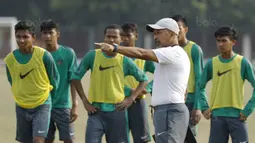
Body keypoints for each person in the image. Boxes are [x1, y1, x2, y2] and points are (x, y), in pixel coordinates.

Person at [96, 18, 190, 143]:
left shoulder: (173, 53)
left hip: (170, 111)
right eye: (154, 33)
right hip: (165, 111)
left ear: (172, 33)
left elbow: (142, 52)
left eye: (159, 33)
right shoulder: (169, 55)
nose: (155, 37)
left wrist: (115, 48)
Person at [71, 24, 148, 143]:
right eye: (108, 36)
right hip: (96, 111)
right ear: (104, 37)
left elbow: (143, 79)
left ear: (120, 39)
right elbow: (75, 77)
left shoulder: (124, 59)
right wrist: (85, 101)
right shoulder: (93, 55)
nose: (111, 40)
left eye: (115, 37)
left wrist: (131, 98)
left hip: (117, 111)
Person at [4, 20, 59, 143]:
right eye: (18, 36)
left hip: (42, 104)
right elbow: (11, 80)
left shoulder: (44, 56)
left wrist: (51, 100)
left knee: (38, 140)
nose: (21, 40)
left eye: (25, 37)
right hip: (21, 106)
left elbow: (54, 79)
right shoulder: (10, 60)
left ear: (33, 37)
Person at [199, 27, 255, 143]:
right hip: (217, 117)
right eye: (218, 41)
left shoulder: (242, 63)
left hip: (238, 116)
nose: (220, 44)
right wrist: (204, 107)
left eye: (224, 41)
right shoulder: (212, 63)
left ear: (233, 42)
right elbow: (200, 86)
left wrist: (247, 110)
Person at [40, 20, 78, 143]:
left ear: (58, 34)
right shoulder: (38, 55)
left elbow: (73, 79)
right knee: (46, 140)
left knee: (69, 140)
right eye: (44, 33)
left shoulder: (68, 53)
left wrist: (75, 104)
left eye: (50, 33)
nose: (47, 36)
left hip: (63, 105)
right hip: (43, 106)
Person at [171, 15, 207, 136]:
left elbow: (199, 80)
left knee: (189, 136)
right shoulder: (168, 50)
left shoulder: (195, 49)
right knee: (173, 135)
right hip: (172, 100)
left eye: (178, 28)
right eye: (172, 29)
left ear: (185, 29)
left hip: (190, 100)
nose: (176, 32)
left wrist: (198, 107)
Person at [121, 23, 155, 143]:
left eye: (127, 35)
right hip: (119, 102)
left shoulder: (144, 56)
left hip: (138, 103)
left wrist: (149, 88)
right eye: (122, 36)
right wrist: (127, 91)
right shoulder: (116, 56)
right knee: (121, 139)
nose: (124, 39)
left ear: (136, 36)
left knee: (142, 139)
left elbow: (161, 75)